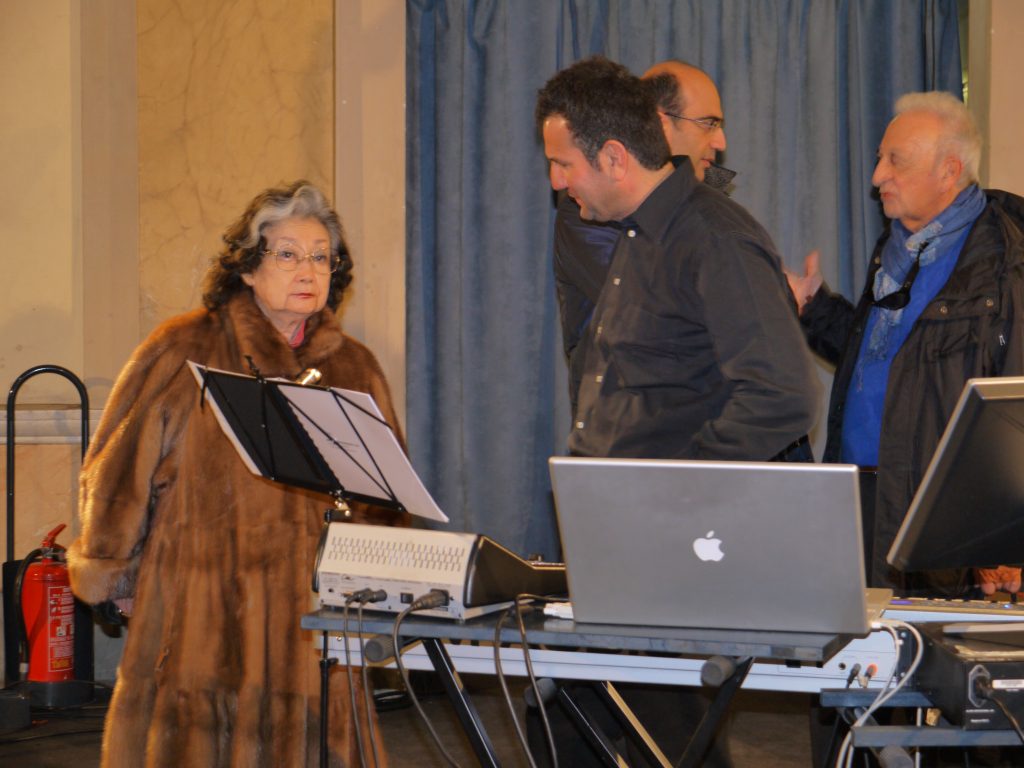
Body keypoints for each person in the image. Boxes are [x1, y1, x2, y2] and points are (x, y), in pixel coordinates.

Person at [534, 55, 820, 767]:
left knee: (662, 740)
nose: (555, 180)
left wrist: (674, 491)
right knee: (578, 729)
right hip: (615, 538)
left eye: (562, 162)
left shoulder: (714, 238)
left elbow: (783, 393)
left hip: (667, 546)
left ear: (614, 156)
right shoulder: (634, 235)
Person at [67, 181, 407, 767]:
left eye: (322, 256)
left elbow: (387, 496)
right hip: (198, 608)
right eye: (288, 253)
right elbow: (117, 472)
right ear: (248, 268)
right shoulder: (183, 348)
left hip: (311, 622)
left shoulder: (356, 368)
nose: (309, 269)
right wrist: (117, 573)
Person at [789, 91, 1024, 597]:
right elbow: (897, 363)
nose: (877, 177)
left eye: (895, 160)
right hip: (860, 499)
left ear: (949, 171)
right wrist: (816, 309)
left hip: (938, 525)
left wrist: (1004, 542)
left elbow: (1014, 414)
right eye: (879, 158)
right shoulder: (896, 250)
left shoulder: (1006, 267)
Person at [555, 59, 734, 416]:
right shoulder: (590, 206)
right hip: (627, 435)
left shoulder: (707, 206)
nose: (720, 140)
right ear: (659, 124)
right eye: (708, 124)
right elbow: (670, 306)